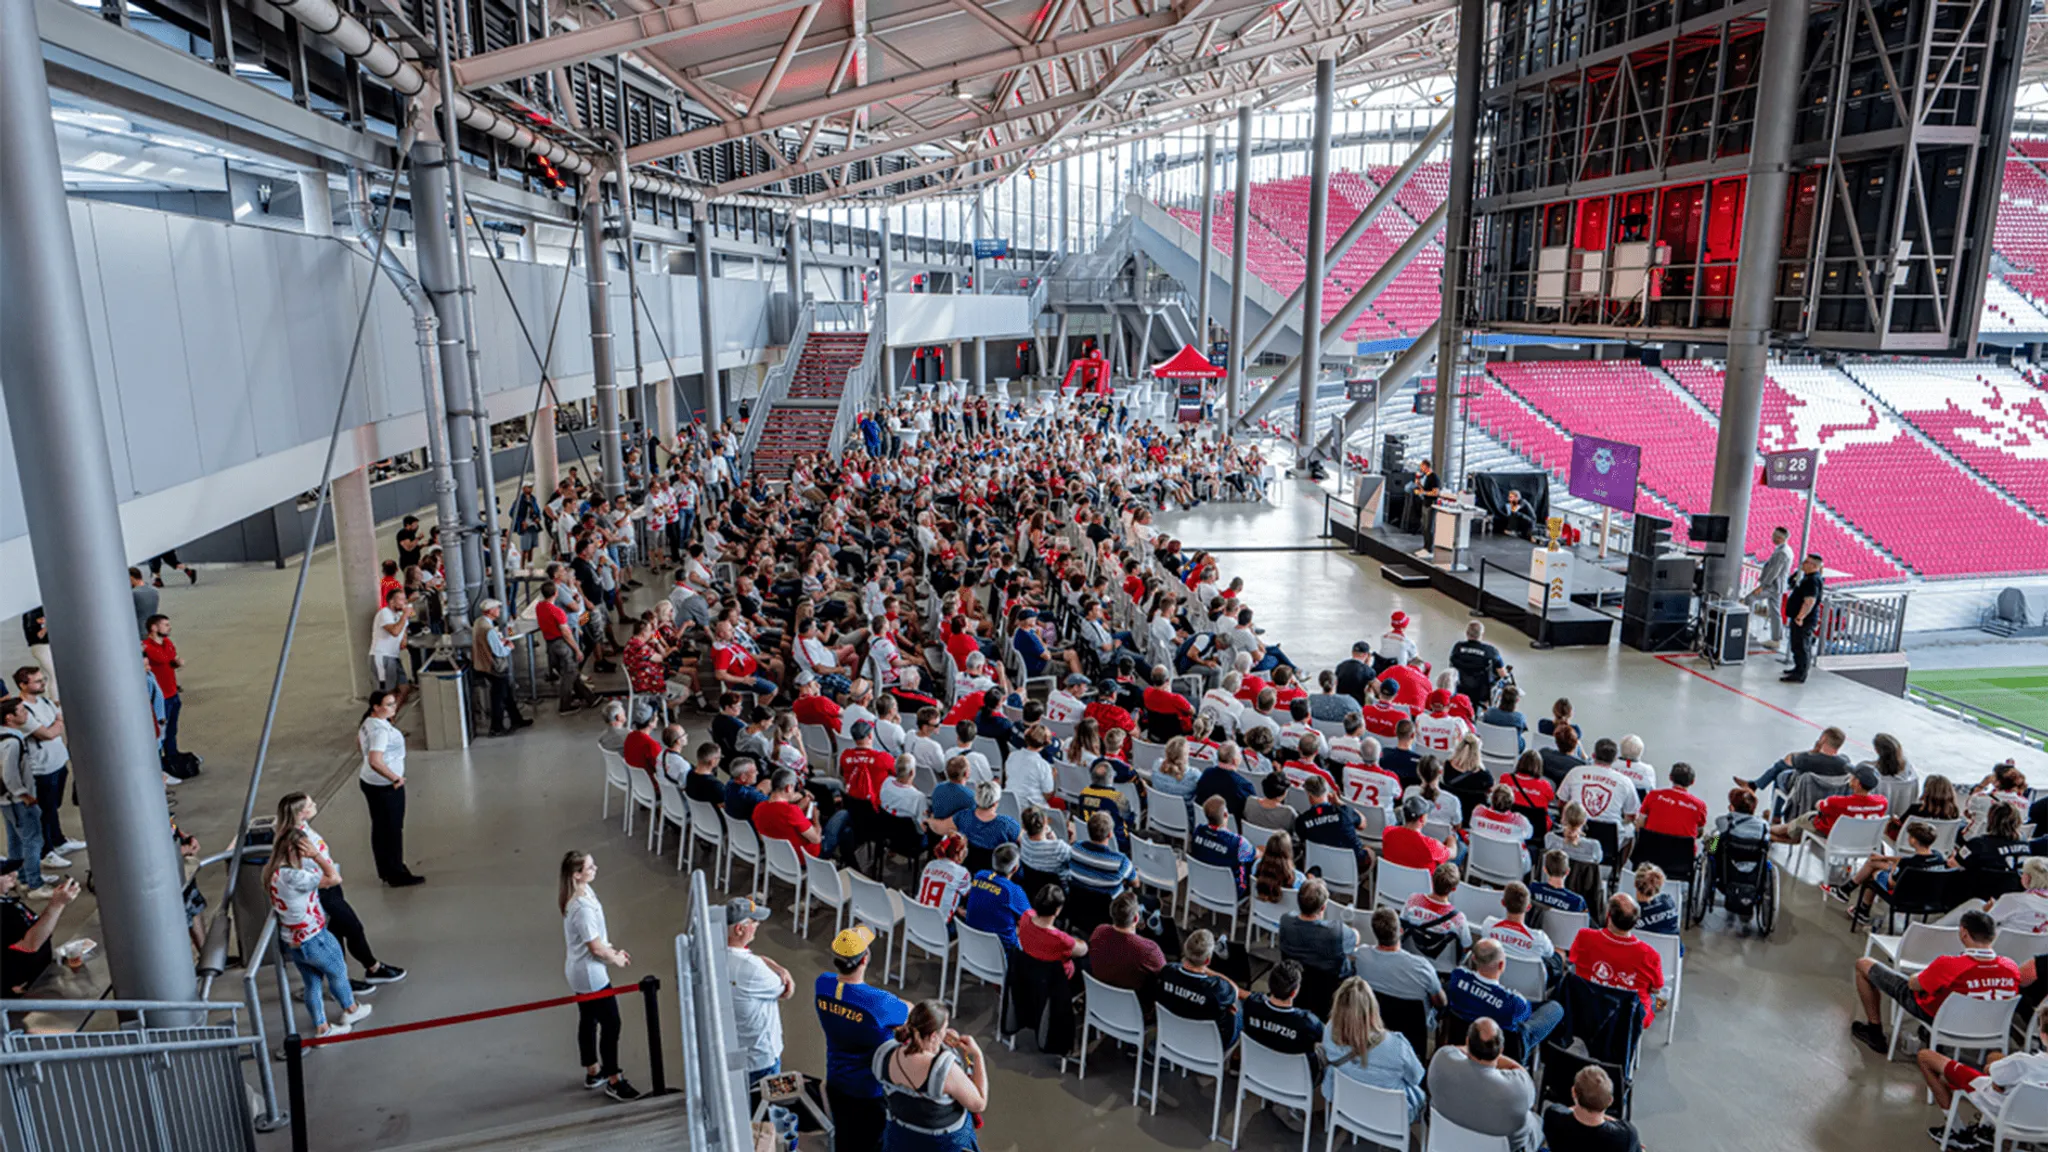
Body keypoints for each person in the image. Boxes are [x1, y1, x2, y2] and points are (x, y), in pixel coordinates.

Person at [277, 792, 405, 990]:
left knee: (337, 930)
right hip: (322, 888)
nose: (315, 805)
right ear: (301, 813)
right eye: (311, 804)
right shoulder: (297, 840)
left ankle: (349, 974)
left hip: (329, 885)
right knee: (352, 927)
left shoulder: (299, 829)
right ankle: (370, 968)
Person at [1853, 909, 2017, 1054]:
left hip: (1942, 1020)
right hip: (1985, 1028)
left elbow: (1913, 985)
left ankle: (1874, 1032)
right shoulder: (2011, 967)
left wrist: (1924, 974)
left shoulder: (1949, 964)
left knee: (1863, 964)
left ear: (1963, 933)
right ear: (1994, 936)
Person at [268, 828, 373, 1040]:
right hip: (314, 937)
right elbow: (334, 877)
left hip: (294, 941)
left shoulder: (273, 874)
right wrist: (317, 856)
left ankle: (322, 1027)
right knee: (338, 971)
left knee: (312, 984)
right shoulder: (297, 877)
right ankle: (350, 1009)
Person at [817, 926, 912, 1151]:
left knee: (844, 1137)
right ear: (864, 959)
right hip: (869, 1090)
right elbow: (909, 1011)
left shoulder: (823, 984)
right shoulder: (878, 1002)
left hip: (836, 1079)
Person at [559, 851, 640, 1100]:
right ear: (576, 874)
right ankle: (614, 1079)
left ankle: (593, 1070)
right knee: (611, 1022)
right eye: (590, 867)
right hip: (590, 974)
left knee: (589, 1019)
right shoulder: (581, 907)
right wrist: (614, 957)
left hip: (580, 969)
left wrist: (611, 950)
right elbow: (594, 947)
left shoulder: (581, 894)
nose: (595, 869)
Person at [1917, 1003, 2048, 1149]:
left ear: (2042, 1035)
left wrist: (1994, 1074)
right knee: (1995, 1057)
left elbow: (1990, 1073)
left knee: (1925, 1057)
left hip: (2003, 1110)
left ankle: (1957, 1130)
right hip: (2041, 1122)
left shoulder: (2022, 1062)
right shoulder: (2022, 1064)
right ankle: (1986, 1129)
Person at [873, 999, 989, 1151]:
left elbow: (916, 1050)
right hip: (940, 1142)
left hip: (900, 1138)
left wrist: (940, 1043)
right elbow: (979, 1103)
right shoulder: (946, 1070)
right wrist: (978, 1056)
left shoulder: (884, 1054)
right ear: (934, 1035)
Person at [1425, 1017, 1541, 1152]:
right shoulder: (1520, 1088)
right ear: (1501, 1050)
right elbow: (1519, 1070)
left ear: (1467, 1041)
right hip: (1510, 1147)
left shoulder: (1441, 1059)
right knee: (1537, 1121)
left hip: (1446, 1143)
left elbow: (1455, 1049)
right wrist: (1493, 1055)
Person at [1321, 976, 1427, 1120]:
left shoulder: (1329, 1031)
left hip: (1346, 1103)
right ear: (1372, 1009)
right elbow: (1416, 1077)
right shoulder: (1397, 1046)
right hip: (1391, 1116)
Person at [10, 668, 80, 869]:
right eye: (37, 681)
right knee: (44, 811)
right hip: (41, 768)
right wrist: (56, 725)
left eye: (43, 680)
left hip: (58, 762)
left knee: (53, 807)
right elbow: (48, 734)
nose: (42, 684)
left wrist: (54, 726)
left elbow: (55, 726)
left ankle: (58, 841)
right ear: (23, 685)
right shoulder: (21, 711)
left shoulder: (45, 702)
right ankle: (46, 851)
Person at [1243, 959, 1324, 1128]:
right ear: (1294, 992)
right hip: (1297, 1080)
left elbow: (1244, 995)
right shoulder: (1308, 1022)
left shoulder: (1252, 1005)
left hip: (1258, 1072)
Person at [1447, 937, 1563, 1053]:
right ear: (1501, 965)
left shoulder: (1457, 977)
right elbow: (1525, 1016)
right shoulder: (1515, 1003)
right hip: (1504, 1048)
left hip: (1461, 1037)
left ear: (1473, 959)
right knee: (1555, 1008)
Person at [726, 896, 795, 1086]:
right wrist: (780, 968)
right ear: (740, 929)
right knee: (766, 1108)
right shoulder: (753, 968)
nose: (757, 925)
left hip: (733, 1051)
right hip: (761, 1059)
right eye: (754, 922)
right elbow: (786, 989)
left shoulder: (716, 956)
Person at [357, 690, 422, 887]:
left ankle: (385, 869)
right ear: (376, 707)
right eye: (389, 705)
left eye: (394, 704)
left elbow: (359, 742)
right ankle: (396, 873)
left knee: (380, 828)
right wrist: (395, 778)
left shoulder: (368, 722)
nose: (394, 708)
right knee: (393, 829)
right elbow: (375, 760)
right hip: (384, 786)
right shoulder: (380, 731)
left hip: (369, 781)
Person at [1572, 895, 1666, 1025]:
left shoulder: (1584, 936)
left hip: (1587, 1007)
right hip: (1629, 1020)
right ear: (1637, 920)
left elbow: (1573, 961)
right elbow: (1656, 988)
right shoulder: (1650, 955)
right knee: (1661, 999)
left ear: (1608, 916)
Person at [1152, 928, 1244, 1046]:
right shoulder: (1217, 989)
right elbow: (1234, 990)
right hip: (1205, 1044)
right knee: (1237, 1007)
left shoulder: (1167, 971)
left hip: (1172, 1032)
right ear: (1207, 960)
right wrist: (1207, 971)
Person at [0, 699, 48, 898]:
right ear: (9, 717)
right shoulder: (12, 741)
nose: (25, 713)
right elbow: (9, 774)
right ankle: (34, 883)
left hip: (6, 801)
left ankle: (22, 876)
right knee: (32, 840)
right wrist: (24, 795)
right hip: (17, 800)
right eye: (20, 710)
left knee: (16, 841)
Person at [1769, 765, 1887, 845]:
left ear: (1857, 783)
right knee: (1800, 831)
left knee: (1796, 827)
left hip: (1831, 836)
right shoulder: (1882, 802)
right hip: (1856, 841)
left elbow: (1819, 805)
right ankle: (1770, 834)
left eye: (1853, 776)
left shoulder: (1837, 802)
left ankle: (1766, 831)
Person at [1738, 726, 1853, 802]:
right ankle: (1754, 785)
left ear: (1823, 739)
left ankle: (1774, 813)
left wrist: (1813, 751)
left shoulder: (1807, 759)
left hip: (1804, 794)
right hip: (1827, 797)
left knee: (1781, 772)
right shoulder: (1845, 762)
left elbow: (1789, 758)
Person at [1544, 1066, 1641, 1152]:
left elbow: (1566, 1110)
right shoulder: (1626, 1136)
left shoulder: (1553, 1116)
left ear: (1573, 1092)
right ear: (1610, 1101)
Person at [1278, 877, 1357, 981]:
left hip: (1296, 980)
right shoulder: (1337, 931)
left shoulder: (1285, 920)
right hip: (1331, 986)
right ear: (1323, 907)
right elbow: (1356, 938)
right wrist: (1352, 930)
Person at [1087, 891, 1166, 992]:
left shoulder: (1099, 932)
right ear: (1136, 918)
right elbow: (1164, 976)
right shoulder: (1149, 950)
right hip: (1135, 1004)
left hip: (1098, 996)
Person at [962, 844, 1032, 951]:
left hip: (972, 945)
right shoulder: (1014, 891)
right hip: (1002, 953)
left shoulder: (979, 875)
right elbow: (1031, 921)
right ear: (1015, 868)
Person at [1189, 796, 1255, 898]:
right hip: (1230, 893)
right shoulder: (1238, 842)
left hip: (1201, 884)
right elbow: (1255, 855)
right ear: (1225, 814)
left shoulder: (1197, 832)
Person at [1746, 525, 1794, 652]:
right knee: (1775, 611)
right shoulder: (1784, 550)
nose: (1771, 538)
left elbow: (1774, 572)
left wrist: (1762, 587)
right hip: (1777, 587)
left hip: (1773, 586)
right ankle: (1776, 639)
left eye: (1773, 536)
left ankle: (1744, 627)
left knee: (1749, 599)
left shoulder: (1782, 552)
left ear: (1779, 538)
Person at [1783, 552, 1825, 683]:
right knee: (1796, 645)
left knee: (1802, 646)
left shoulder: (1812, 580)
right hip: (1799, 617)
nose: (1802, 564)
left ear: (1813, 565)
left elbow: (1809, 601)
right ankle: (1797, 668)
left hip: (1805, 620)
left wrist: (1801, 617)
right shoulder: (1807, 578)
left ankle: (1800, 673)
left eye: (1806, 562)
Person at [368, 588, 414, 705]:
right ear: (392, 602)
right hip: (382, 656)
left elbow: (402, 642)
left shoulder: (400, 617)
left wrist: (406, 620)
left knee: (404, 689)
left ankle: (391, 715)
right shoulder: (385, 613)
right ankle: (382, 717)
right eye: (401, 600)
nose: (404, 602)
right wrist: (405, 616)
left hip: (394, 656)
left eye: (405, 600)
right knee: (388, 693)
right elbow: (394, 631)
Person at [1382, 796, 1452, 871]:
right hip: (1423, 883)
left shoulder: (1388, 832)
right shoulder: (1432, 846)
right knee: (1462, 849)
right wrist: (1452, 839)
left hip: (1391, 881)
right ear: (1422, 818)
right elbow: (1452, 853)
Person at [1448, 621, 1505, 706]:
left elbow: (1451, 665)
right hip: (1481, 693)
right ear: (1481, 634)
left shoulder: (1458, 648)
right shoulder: (1491, 651)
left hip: (1459, 687)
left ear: (1467, 633)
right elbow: (1502, 674)